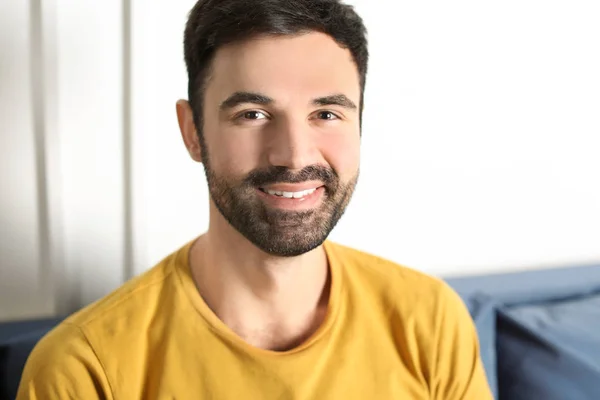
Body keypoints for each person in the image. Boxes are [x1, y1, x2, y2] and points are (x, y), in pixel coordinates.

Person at [17, 0, 493, 398]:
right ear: (193, 132)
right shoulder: (83, 370)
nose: (294, 155)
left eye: (326, 113)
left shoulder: (430, 322)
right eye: (253, 113)